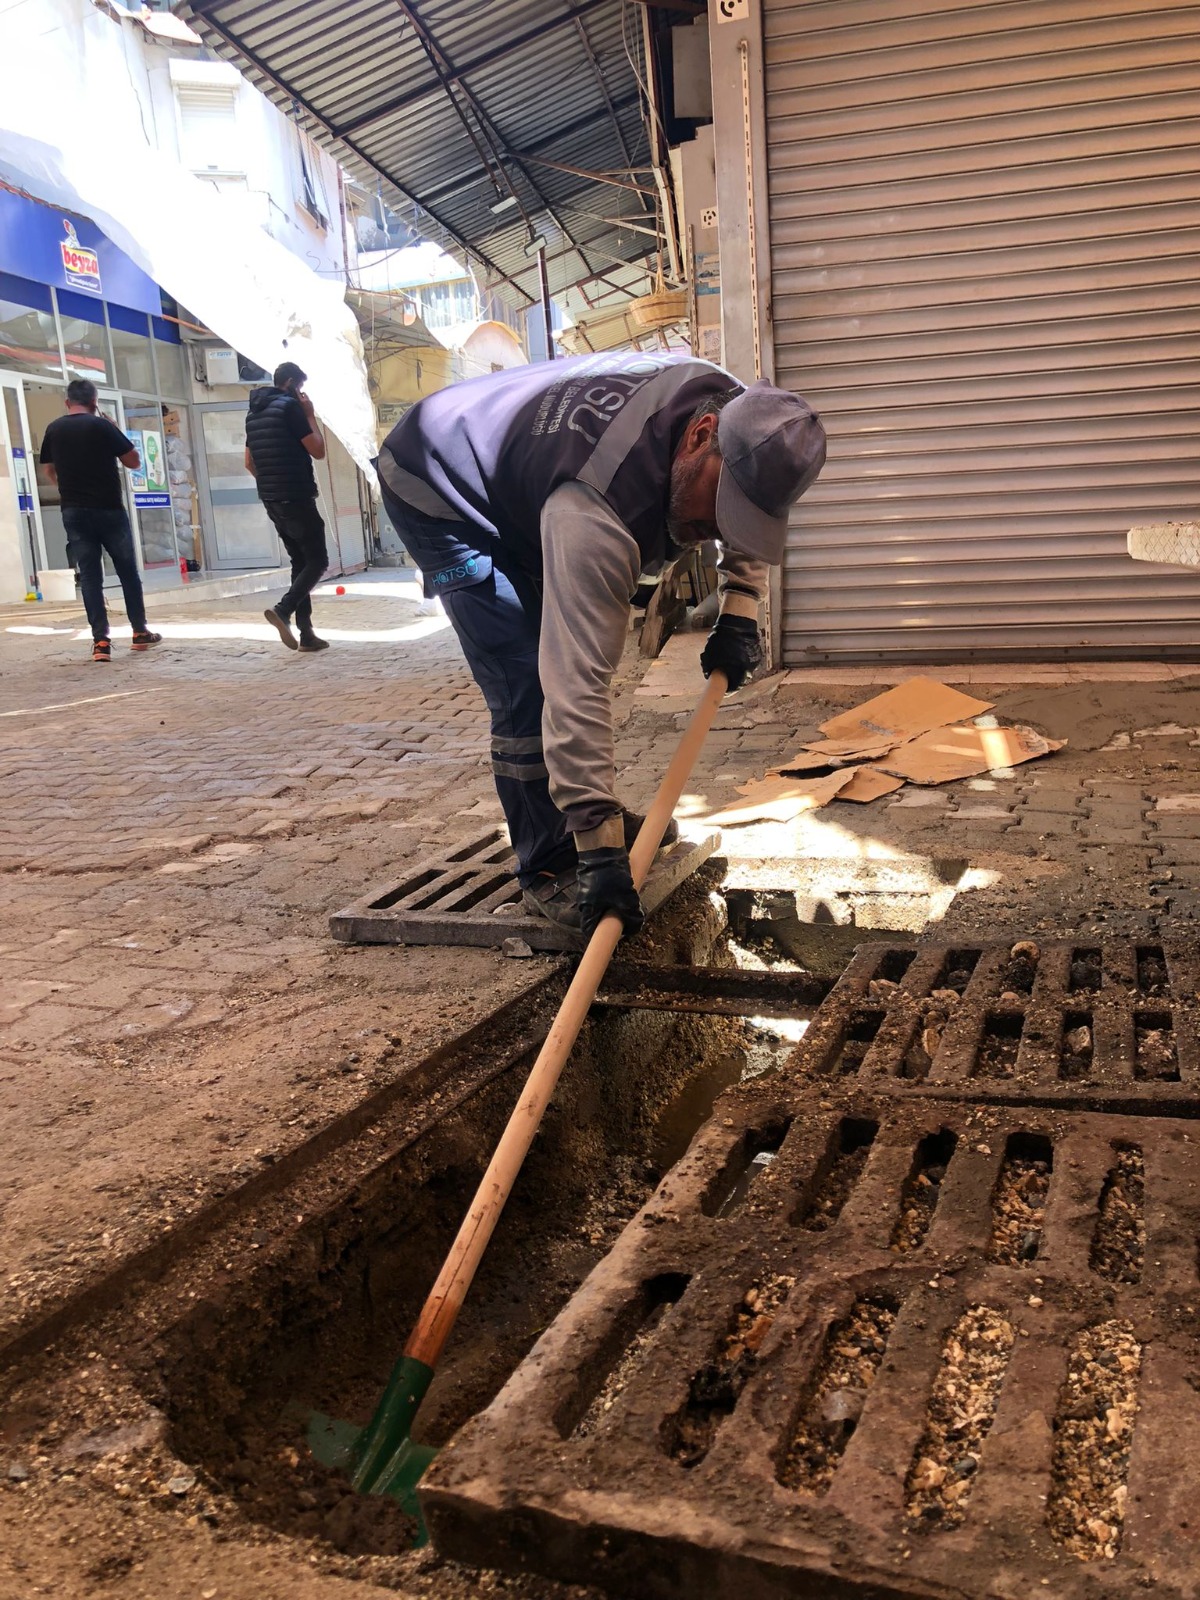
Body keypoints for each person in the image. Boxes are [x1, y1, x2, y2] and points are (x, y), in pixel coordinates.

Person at [377, 353, 826, 942]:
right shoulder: (597, 511)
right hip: (438, 480)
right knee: (526, 679)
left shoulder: (745, 417)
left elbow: (745, 501)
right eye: (718, 510)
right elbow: (577, 680)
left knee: (552, 644)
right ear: (698, 436)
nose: (717, 528)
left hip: (530, 472)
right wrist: (601, 852)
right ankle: (550, 860)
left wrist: (741, 609)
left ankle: (581, 820)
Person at [39, 379, 162, 663]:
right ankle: (140, 632)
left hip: (73, 511)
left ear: (67, 402)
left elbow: (48, 470)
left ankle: (101, 642)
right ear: (95, 402)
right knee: (127, 572)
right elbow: (133, 461)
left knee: (91, 577)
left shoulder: (54, 429)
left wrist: (68, 488)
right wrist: (116, 428)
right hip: (109, 510)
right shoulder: (102, 426)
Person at [245, 361, 330, 652]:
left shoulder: (253, 414)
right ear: (291, 382)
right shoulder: (290, 408)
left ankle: (306, 634)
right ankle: (284, 610)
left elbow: (248, 462)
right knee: (318, 561)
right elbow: (317, 450)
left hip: (272, 500)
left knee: (300, 562)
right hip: (296, 497)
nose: (301, 393)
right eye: (301, 387)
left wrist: (271, 484)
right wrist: (310, 415)